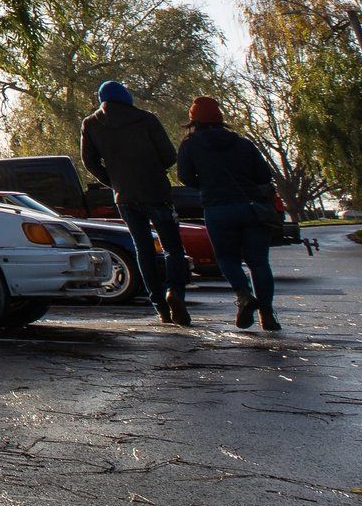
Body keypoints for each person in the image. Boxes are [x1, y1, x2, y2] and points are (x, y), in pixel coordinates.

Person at [79, 79, 191, 326]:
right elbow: (169, 156)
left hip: (125, 196)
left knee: (143, 249)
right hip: (156, 192)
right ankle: (175, 292)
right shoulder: (146, 118)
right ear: (126, 97)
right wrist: (151, 170)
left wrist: (114, 180)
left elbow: (89, 161)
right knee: (172, 248)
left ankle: (159, 305)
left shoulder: (91, 123)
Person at [178, 96, 283, 331]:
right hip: (252, 207)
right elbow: (264, 175)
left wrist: (207, 184)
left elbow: (185, 177)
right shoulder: (243, 143)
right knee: (259, 262)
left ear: (193, 120)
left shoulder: (190, 144)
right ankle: (268, 315)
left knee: (227, 258)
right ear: (220, 118)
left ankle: (243, 295)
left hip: (218, 208)